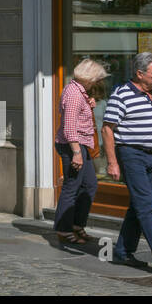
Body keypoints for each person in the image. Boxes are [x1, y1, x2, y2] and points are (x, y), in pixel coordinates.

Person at [102, 51, 152, 273]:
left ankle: (122, 251)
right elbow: (107, 129)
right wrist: (112, 162)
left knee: (138, 205)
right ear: (140, 73)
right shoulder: (121, 95)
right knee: (146, 206)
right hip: (131, 155)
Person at [53, 57, 108, 244]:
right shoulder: (74, 94)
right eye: (97, 78)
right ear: (90, 78)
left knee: (90, 185)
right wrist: (76, 153)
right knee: (72, 187)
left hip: (81, 144)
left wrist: (89, 103)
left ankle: (77, 225)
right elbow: (69, 127)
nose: (98, 81)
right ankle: (63, 229)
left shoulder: (79, 91)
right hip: (72, 146)